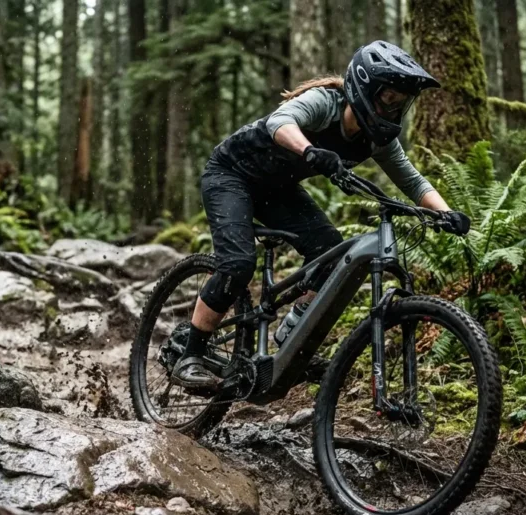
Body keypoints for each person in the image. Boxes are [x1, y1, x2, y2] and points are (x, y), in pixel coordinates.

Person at [173, 40, 471, 388]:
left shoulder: (377, 140)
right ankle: (190, 353)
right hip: (230, 174)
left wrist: (446, 214)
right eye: (388, 98)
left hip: (276, 190)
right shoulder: (326, 103)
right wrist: (310, 150)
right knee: (238, 263)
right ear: (365, 88)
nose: (393, 108)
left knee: (330, 252)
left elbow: (413, 182)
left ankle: (292, 338)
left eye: (401, 102)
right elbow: (280, 121)